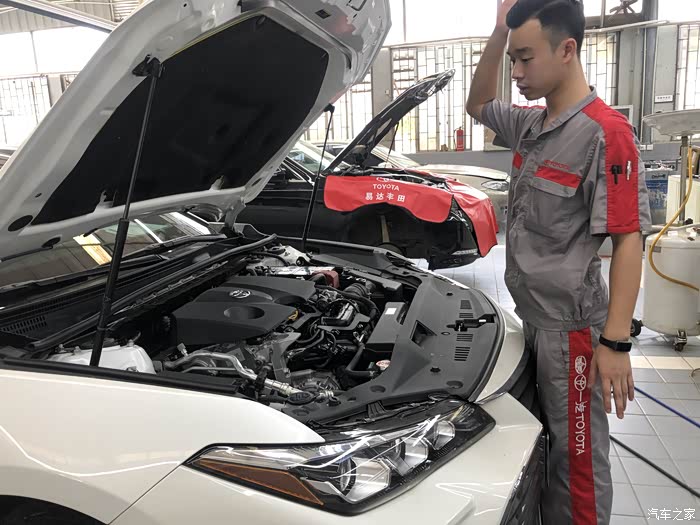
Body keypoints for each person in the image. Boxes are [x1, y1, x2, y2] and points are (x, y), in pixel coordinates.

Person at [466, 0, 652, 523]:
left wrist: (615, 343)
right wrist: (498, 33)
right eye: (513, 60)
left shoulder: (605, 134)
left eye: (525, 58)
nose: (516, 72)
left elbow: (628, 241)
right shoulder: (532, 125)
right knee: (545, 446)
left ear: (567, 50)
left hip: (572, 333)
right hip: (533, 319)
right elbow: (478, 103)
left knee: (577, 460)